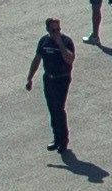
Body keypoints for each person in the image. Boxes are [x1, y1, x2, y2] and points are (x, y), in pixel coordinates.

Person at [26, 17, 79, 157]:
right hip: (49, 78)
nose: (56, 32)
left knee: (59, 108)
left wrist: (60, 43)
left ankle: (64, 140)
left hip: (62, 79)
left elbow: (70, 59)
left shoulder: (67, 41)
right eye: (53, 30)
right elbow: (37, 59)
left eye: (58, 29)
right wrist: (30, 78)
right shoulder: (44, 41)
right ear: (47, 30)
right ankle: (56, 138)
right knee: (52, 109)